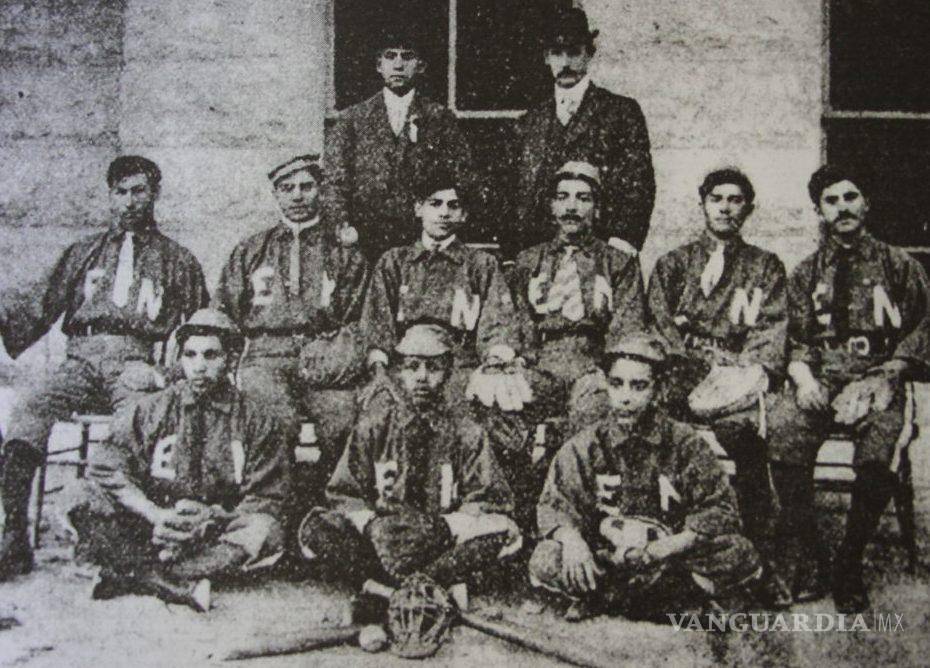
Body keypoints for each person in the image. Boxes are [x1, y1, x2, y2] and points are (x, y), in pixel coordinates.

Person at [0, 156, 209, 581]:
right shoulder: (83, 252)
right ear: (110, 196)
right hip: (80, 358)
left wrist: (163, 375)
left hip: (134, 362)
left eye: (139, 191)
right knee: (28, 412)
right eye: (121, 192)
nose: (130, 202)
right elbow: (39, 306)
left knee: (138, 425)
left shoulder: (177, 259)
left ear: (155, 194)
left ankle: (129, 532)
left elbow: (199, 332)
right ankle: (13, 534)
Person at [768, 166, 930, 612]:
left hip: (879, 377)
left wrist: (888, 373)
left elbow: (923, 326)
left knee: (879, 453)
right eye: (831, 200)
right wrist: (802, 376)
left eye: (850, 197)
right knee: (783, 433)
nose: (842, 207)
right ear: (819, 211)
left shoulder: (899, 265)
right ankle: (815, 555)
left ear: (866, 204)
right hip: (822, 376)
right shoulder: (805, 272)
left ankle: (849, 560)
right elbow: (795, 336)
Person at [66, 309, 290, 611]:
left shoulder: (257, 419)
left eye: (211, 356)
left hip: (214, 533)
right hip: (154, 526)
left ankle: (136, 571)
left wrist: (209, 519)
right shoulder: (152, 408)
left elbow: (265, 498)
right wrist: (154, 513)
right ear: (180, 358)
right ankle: (165, 578)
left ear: (231, 359)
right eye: (190, 355)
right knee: (76, 496)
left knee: (266, 531)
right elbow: (107, 466)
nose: (199, 366)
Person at [528, 333, 761, 622]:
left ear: (658, 391)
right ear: (606, 386)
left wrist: (661, 549)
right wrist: (573, 540)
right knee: (546, 557)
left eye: (639, 386)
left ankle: (611, 597)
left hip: (668, 555)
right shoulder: (585, 445)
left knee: (740, 553)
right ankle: (662, 600)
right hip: (609, 555)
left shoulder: (685, 443)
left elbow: (719, 508)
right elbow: (556, 505)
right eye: (617, 384)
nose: (625, 397)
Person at [298, 322, 521, 595]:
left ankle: (403, 587)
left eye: (433, 367)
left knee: (503, 532)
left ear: (449, 372)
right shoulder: (373, 427)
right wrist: (372, 526)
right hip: (384, 543)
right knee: (316, 527)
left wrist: (441, 528)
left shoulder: (468, 432)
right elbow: (344, 493)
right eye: (413, 367)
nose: (423, 377)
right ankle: (405, 587)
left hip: (441, 544)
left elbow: (488, 499)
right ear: (398, 372)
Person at [646, 168, 786, 582]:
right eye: (717, 199)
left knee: (745, 434)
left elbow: (772, 328)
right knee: (657, 432)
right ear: (703, 204)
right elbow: (657, 324)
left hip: (735, 383)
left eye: (735, 200)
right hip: (683, 379)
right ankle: (665, 537)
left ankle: (754, 547)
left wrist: (742, 373)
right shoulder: (674, 264)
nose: (725, 208)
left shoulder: (765, 266)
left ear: (748, 208)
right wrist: (688, 369)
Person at [213, 155, 369, 514]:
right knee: (271, 417)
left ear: (320, 190)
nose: (297, 196)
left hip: (325, 354)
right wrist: (232, 362)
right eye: (287, 188)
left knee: (342, 416)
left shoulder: (343, 250)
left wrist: (338, 351)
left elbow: (359, 314)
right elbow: (224, 312)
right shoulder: (251, 249)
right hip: (267, 353)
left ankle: (331, 516)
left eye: (306, 186)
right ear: (276, 195)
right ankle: (274, 512)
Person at [360, 169, 529, 408]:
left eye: (454, 205)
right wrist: (379, 368)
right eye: (435, 203)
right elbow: (377, 321)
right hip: (406, 365)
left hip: (458, 365)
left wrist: (492, 361)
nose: (444, 213)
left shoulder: (480, 264)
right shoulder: (395, 261)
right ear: (418, 208)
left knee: (464, 408)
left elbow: (498, 322)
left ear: (464, 215)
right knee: (382, 409)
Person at [511, 160, 646, 431]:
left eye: (583, 199)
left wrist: (607, 368)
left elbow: (628, 325)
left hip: (591, 364)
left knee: (592, 407)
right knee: (504, 399)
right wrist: (524, 358)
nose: (571, 207)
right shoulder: (528, 261)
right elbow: (517, 318)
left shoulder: (618, 263)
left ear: (597, 209)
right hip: (540, 362)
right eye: (562, 198)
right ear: (551, 206)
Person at [512, 5, 655, 256]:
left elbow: (639, 185)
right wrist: (514, 254)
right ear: (546, 57)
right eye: (557, 53)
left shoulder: (620, 112)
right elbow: (513, 195)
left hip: (601, 252)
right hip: (540, 255)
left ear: (589, 54)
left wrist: (622, 243)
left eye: (574, 53)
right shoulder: (529, 122)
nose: (565, 63)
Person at [324, 27, 474, 264]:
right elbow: (334, 181)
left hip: (420, 242)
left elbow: (462, 177)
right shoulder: (352, 119)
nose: (398, 64)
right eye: (390, 56)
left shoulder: (440, 118)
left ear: (421, 66)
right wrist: (342, 228)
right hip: (364, 243)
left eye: (407, 56)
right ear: (378, 65)